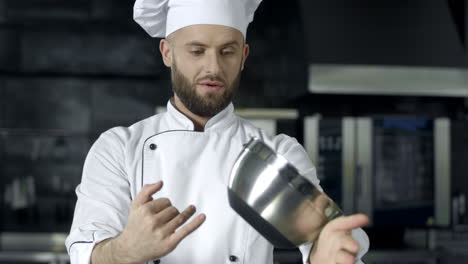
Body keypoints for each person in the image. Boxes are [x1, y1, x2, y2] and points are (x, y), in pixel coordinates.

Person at [65, 0, 370, 263]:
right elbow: (85, 253)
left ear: (244, 56)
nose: (213, 67)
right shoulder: (119, 148)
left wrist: (328, 254)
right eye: (197, 51)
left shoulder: (278, 152)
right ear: (167, 52)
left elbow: (319, 238)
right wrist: (125, 250)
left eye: (227, 52)